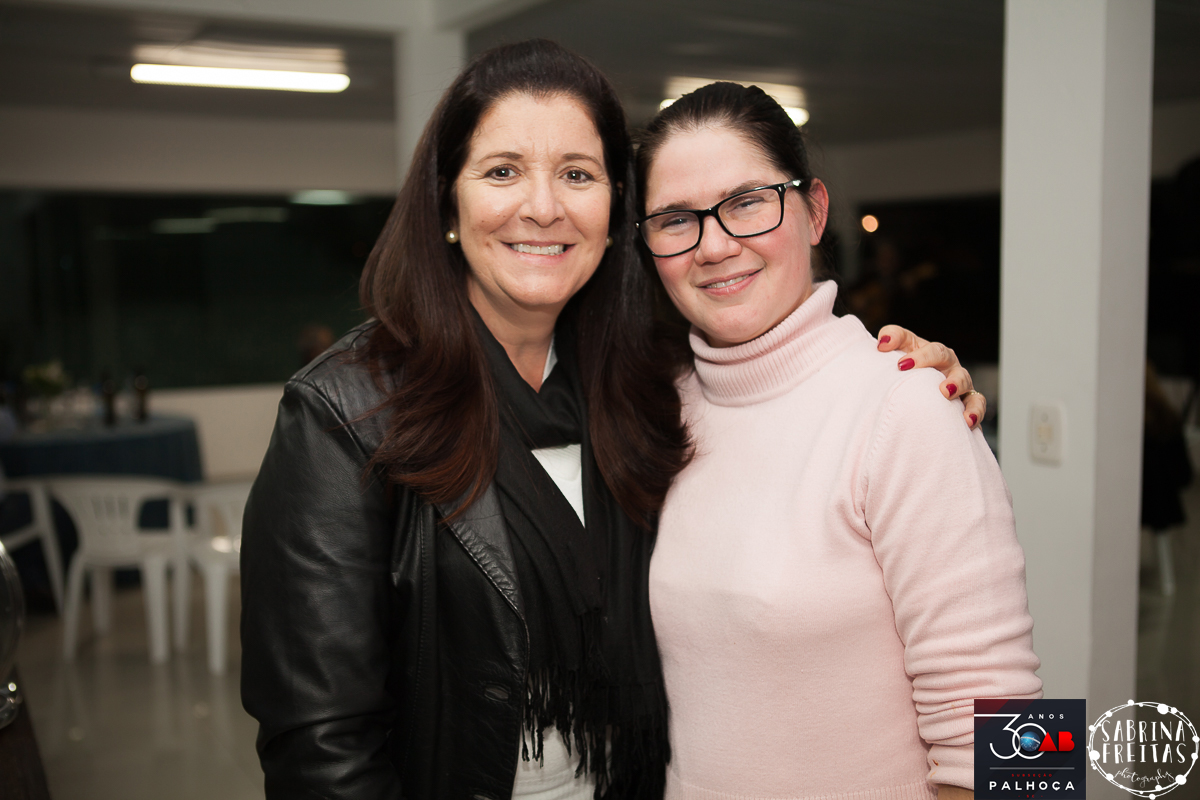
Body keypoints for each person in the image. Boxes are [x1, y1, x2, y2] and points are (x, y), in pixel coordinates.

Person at [241, 41, 987, 800]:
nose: (542, 206)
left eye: (577, 174)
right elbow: (319, 750)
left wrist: (917, 394)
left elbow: (1015, 724)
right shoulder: (662, 394)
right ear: (446, 204)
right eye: (502, 171)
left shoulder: (900, 405)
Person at [635, 82, 1041, 800]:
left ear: (815, 211)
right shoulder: (657, 411)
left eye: (748, 202)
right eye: (675, 219)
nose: (716, 244)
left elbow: (1015, 742)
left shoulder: (907, 406)